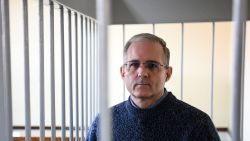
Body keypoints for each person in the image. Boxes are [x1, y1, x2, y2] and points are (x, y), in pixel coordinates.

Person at [86, 33, 221, 141]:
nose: (142, 73)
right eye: (134, 64)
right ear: (123, 72)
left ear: (167, 73)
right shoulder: (103, 123)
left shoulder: (198, 124)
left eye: (152, 65)